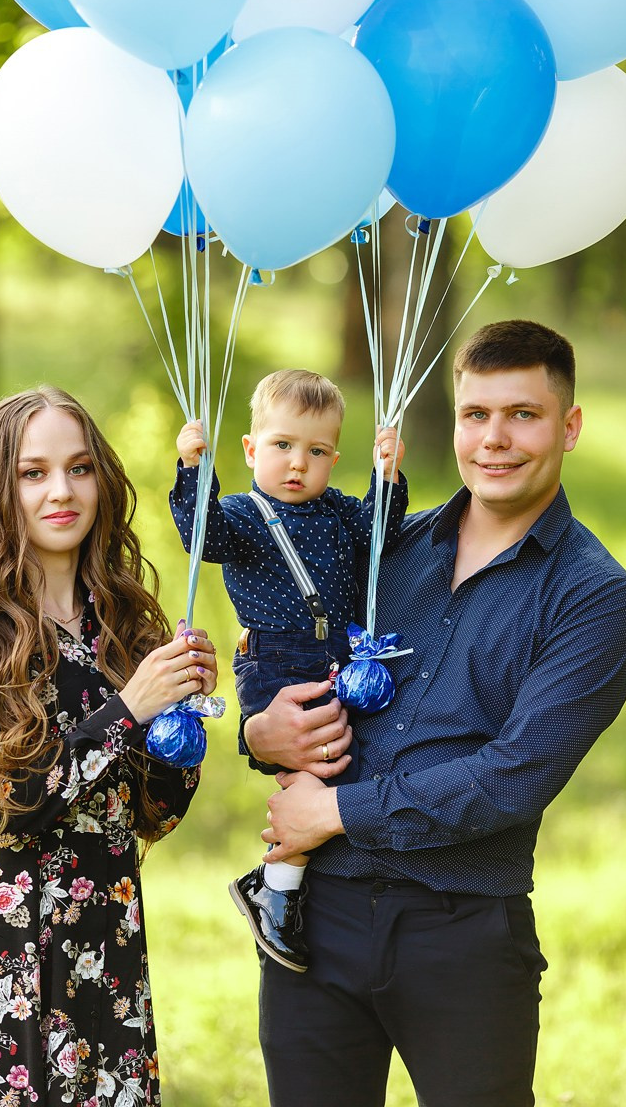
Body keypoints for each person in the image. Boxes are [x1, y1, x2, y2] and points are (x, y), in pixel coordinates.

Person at [240, 322, 626, 1107]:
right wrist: (261, 733)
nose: (494, 439)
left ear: (569, 426)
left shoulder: (595, 597)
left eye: (523, 415)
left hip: (462, 932)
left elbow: (513, 777)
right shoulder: (385, 550)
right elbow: (293, 661)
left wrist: (335, 811)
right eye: (475, 415)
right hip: (316, 924)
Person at [0, 387, 218, 1107]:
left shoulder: (122, 624)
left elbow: (154, 813)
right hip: (8, 951)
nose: (61, 491)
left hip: (109, 944)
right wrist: (129, 709)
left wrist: (181, 715)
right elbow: (13, 804)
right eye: (32, 473)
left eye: (79, 468)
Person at [169, 369, 407, 973]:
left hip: (337, 656)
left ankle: (291, 883)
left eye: (317, 451)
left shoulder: (338, 512)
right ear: (251, 449)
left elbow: (380, 535)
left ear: (334, 459)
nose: (298, 463)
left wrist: (387, 479)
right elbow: (202, 536)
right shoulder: (243, 515)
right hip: (275, 660)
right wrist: (194, 470)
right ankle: (276, 888)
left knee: (342, 759)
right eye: (282, 445)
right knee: (317, 765)